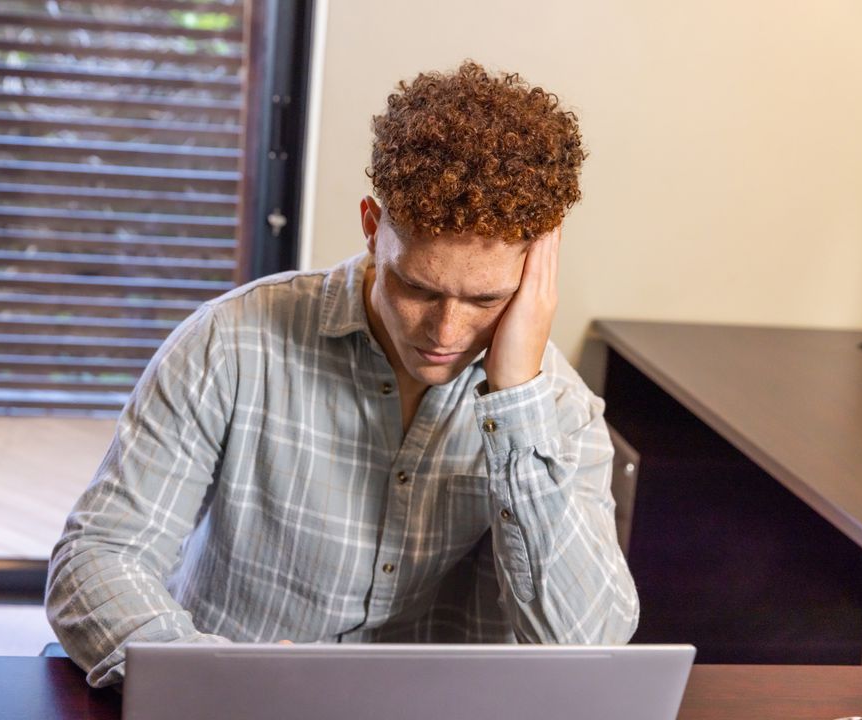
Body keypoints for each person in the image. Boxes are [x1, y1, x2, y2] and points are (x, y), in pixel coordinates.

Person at [46, 60, 640, 688]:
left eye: (485, 301)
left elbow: (587, 648)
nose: (444, 333)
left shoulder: (558, 409)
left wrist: (516, 397)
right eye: (416, 287)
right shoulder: (230, 340)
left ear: (534, 274)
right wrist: (214, 679)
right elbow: (98, 557)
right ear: (370, 225)